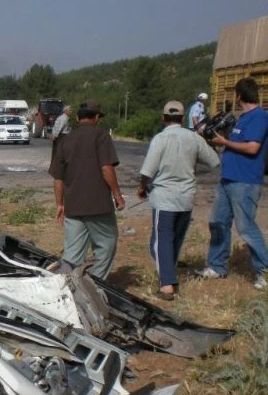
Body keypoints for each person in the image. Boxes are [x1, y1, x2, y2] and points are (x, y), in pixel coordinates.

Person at [137, 100, 221, 300]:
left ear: (163, 118)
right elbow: (214, 161)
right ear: (183, 118)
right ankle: (169, 268)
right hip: (186, 198)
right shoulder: (193, 138)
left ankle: (167, 285)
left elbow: (148, 170)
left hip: (165, 197)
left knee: (161, 241)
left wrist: (142, 187)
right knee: (175, 239)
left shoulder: (160, 139)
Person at [195, 77, 268, 289]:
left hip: (245, 181)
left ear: (239, 96)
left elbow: (253, 148)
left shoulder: (259, 117)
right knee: (217, 222)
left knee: (246, 227)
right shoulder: (242, 118)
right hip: (228, 179)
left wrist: (225, 142)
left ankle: (264, 271)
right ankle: (217, 267)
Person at [47, 100, 124, 280]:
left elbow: (58, 178)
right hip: (98, 206)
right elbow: (107, 168)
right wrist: (117, 195)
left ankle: (61, 285)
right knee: (106, 245)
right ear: (96, 118)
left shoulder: (65, 140)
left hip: (73, 206)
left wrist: (59, 204)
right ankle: (94, 284)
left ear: (76, 117)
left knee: (71, 254)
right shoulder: (101, 135)